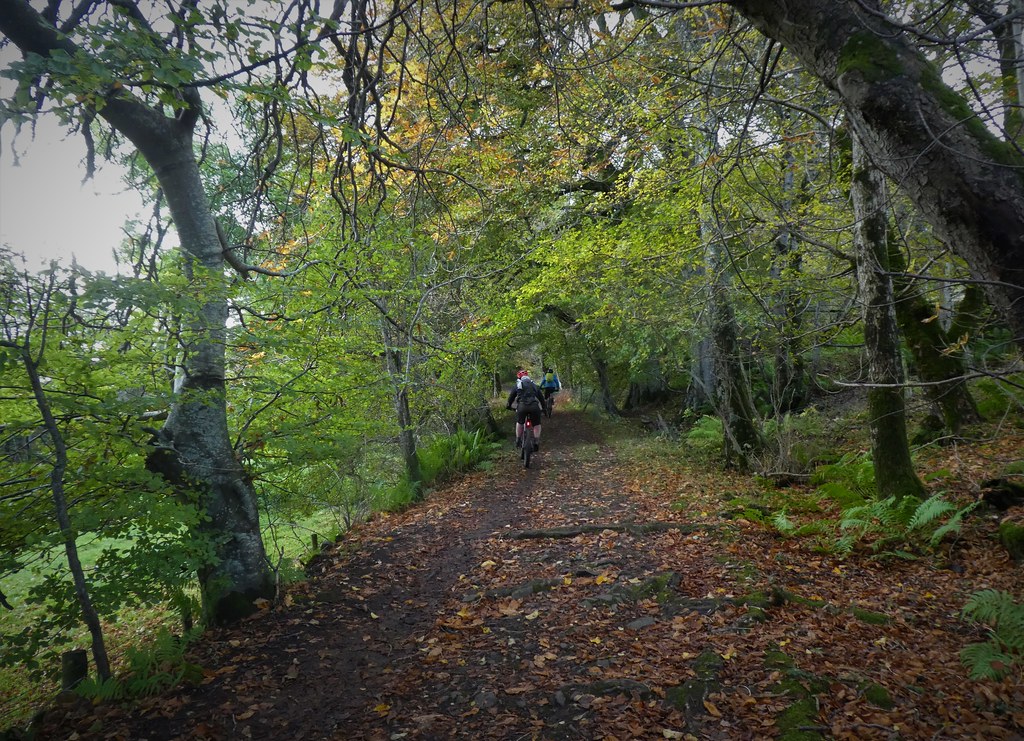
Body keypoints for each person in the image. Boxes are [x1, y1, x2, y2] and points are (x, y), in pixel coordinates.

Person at [507, 370, 543, 451]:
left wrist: (509, 406)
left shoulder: (517, 385)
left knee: (520, 422)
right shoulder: (533, 385)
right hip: (534, 406)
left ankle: (518, 440)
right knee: (537, 424)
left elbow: (511, 397)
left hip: (522, 406)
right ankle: (536, 441)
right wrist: (544, 408)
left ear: (519, 378)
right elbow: (541, 398)